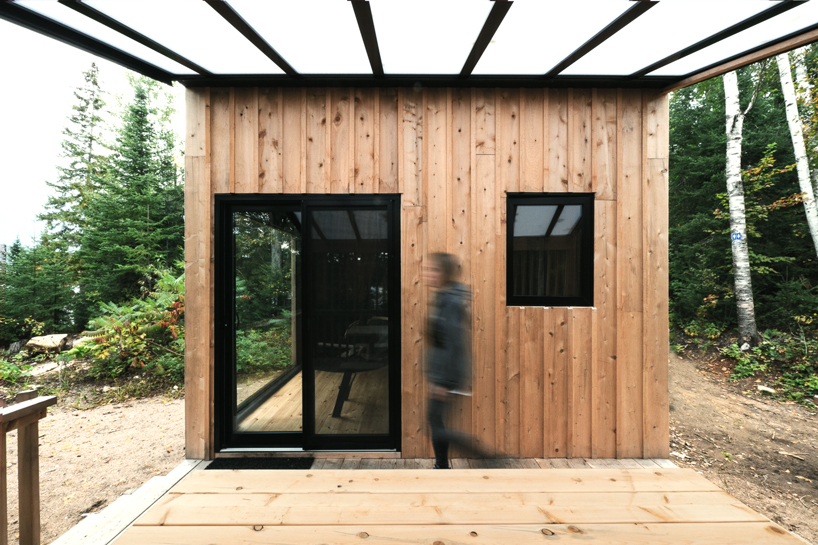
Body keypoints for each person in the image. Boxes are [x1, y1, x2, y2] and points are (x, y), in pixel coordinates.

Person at [424, 252, 481, 469]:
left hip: (446, 374)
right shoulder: (443, 297)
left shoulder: (450, 301)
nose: (429, 273)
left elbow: (453, 343)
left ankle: (482, 454)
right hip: (442, 373)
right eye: (427, 269)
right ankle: (442, 465)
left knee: (435, 422)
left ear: (445, 273)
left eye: (434, 269)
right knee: (434, 420)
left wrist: (441, 381)